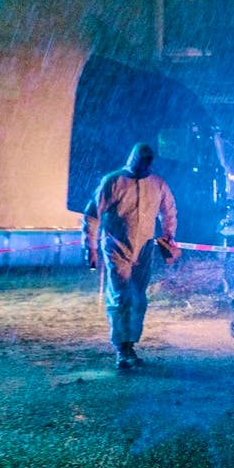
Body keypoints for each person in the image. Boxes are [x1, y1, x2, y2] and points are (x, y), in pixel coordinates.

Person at [82, 143, 178, 370]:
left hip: (144, 251)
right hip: (117, 248)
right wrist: (91, 248)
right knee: (120, 296)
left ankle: (131, 344)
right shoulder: (114, 181)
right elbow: (92, 214)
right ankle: (121, 347)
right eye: (141, 160)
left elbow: (169, 211)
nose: (144, 165)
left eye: (148, 161)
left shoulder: (157, 184)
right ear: (134, 158)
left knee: (138, 297)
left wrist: (168, 238)